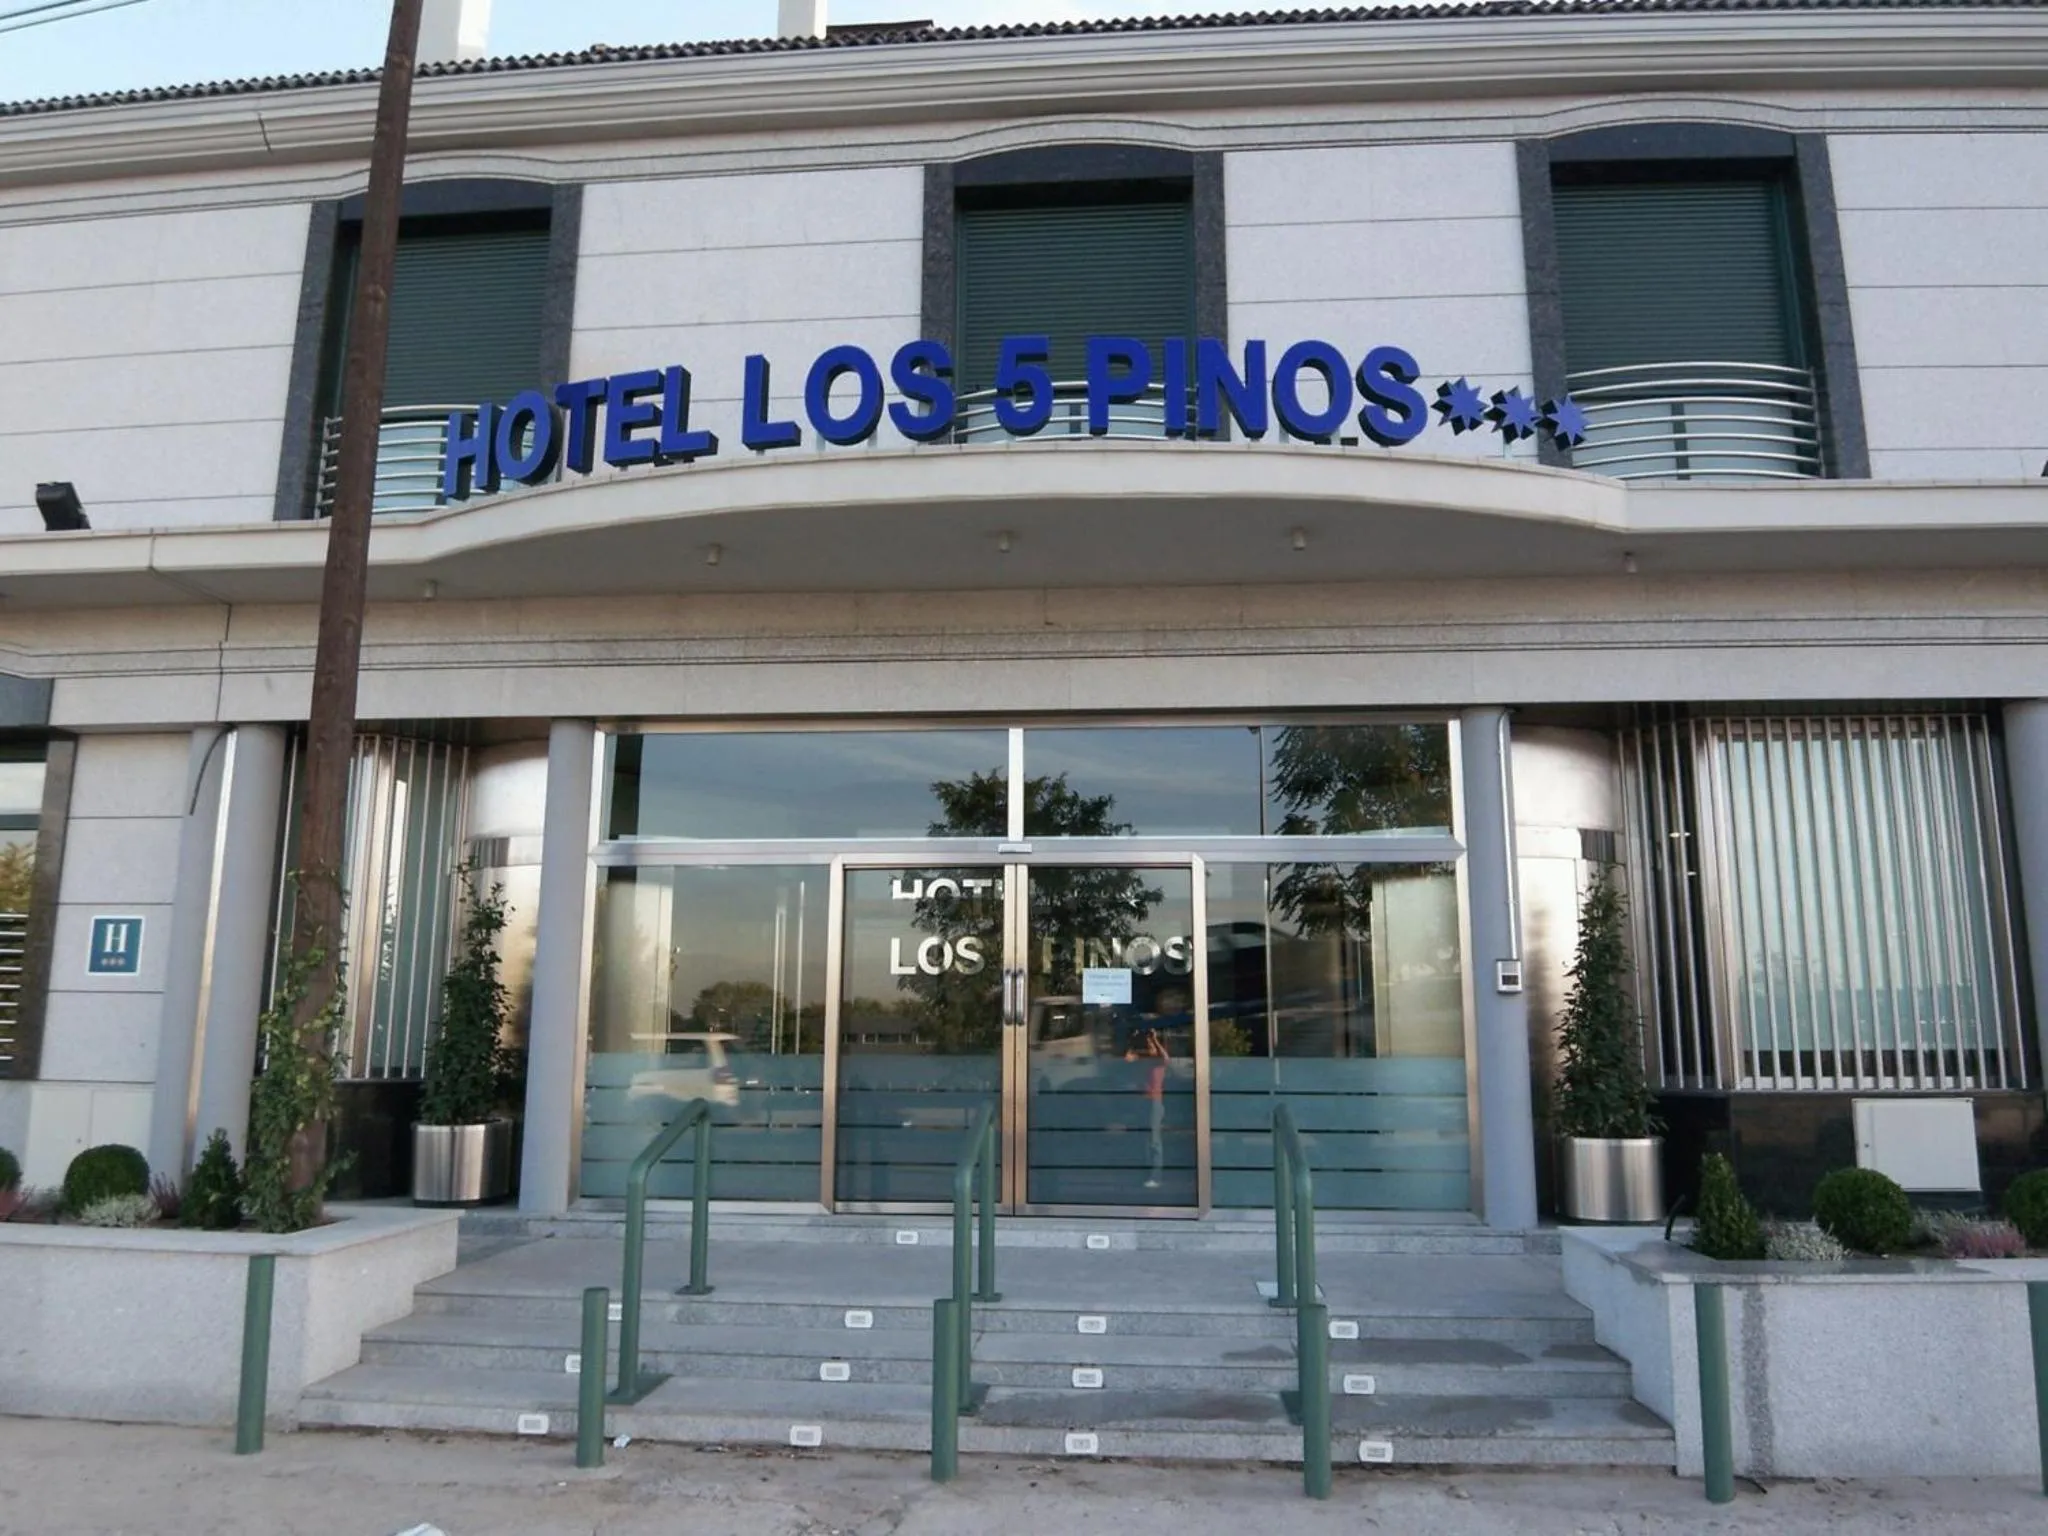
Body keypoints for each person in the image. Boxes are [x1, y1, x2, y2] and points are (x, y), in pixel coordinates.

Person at [1125, 1024, 1169, 1190]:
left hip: (1154, 1102)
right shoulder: (1144, 1063)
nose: (1149, 1048)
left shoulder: (1158, 1064)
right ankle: (1146, 1175)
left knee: (1154, 1141)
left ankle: (1156, 1177)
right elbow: (1127, 1057)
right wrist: (1134, 1041)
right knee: (1145, 1140)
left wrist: (1155, 1040)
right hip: (1143, 1102)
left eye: (1151, 1047)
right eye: (1148, 1045)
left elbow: (1165, 1058)